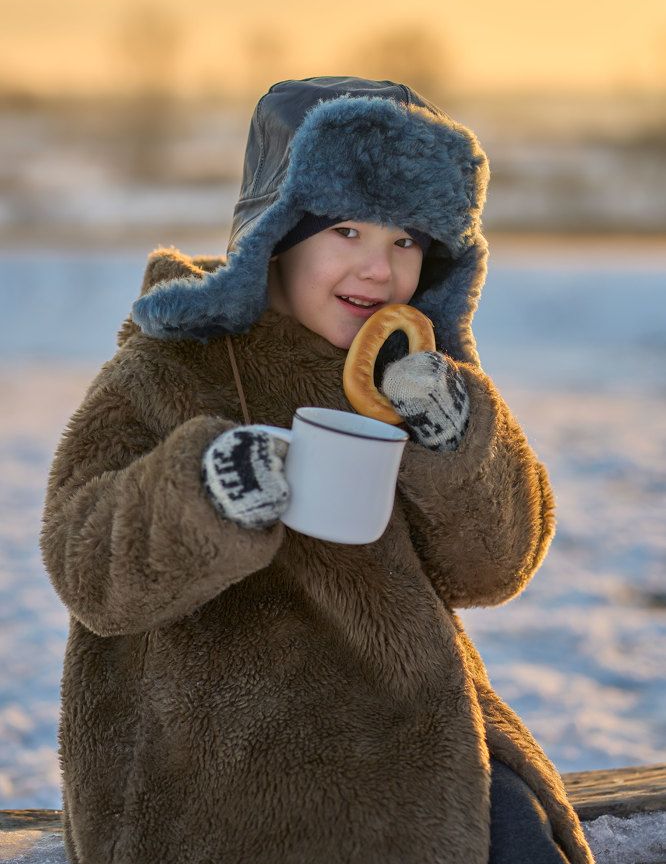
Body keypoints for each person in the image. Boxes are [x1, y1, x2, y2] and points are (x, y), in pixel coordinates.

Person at [41, 76, 595, 864]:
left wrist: (455, 435)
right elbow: (85, 565)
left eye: (406, 240)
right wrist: (211, 490)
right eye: (346, 230)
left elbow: (495, 568)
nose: (380, 270)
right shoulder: (166, 370)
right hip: (214, 769)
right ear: (274, 234)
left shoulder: (408, 371)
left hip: (417, 744)